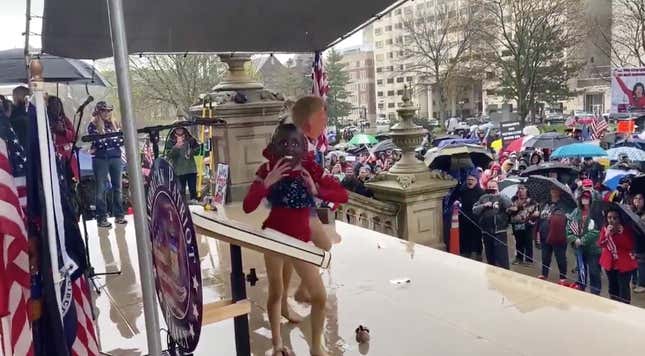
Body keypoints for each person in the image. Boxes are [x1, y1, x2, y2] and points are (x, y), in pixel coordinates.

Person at [243, 123, 347, 356]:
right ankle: (279, 343)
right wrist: (266, 182)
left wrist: (316, 188)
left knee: (319, 296)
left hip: (300, 241)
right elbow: (248, 206)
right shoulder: (266, 169)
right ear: (274, 146)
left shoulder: (311, 167)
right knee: (277, 291)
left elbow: (342, 194)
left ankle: (315, 347)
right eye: (284, 143)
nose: (289, 148)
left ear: (303, 146)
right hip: (274, 237)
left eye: (294, 143)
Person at [87, 101, 126, 228]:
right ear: (98, 112)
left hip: (116, 157)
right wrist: (109, 140)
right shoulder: (92, 125)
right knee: (101, 189)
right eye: (104, 110)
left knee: (118, 188)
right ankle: (102, 217)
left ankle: (119, 215)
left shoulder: (114, 124)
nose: (107, 113)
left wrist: (107, 139)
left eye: (109, 110)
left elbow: (120, 140)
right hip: (100, 159)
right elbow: (98, 143)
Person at [598, 207, 638, 304]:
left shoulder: (626, 229)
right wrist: (607, 234)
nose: (611, 220)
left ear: (620, 218)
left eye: (615, 218)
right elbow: (601, 244)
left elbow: (630, 245)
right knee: (612, 288)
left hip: (624, 264)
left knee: (623, 290)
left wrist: (619, 234)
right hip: (609, 264)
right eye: (609, 217)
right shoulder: (605, 228)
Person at [566, 189, 601, 294]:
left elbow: (597, 230)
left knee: (594, 272)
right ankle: (581, 289)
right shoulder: (575, 212)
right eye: (583, 197)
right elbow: (568, 228)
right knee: (581, 271)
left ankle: (595, 293)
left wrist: (582, 240)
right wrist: (574, 239)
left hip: (593, 249)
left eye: (587, 197)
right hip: (579, 249)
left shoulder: (596, 212)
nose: (585, 200)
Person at [472, 180, 512, 269]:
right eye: (489, 187)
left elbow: (509, 205)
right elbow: (474, 210)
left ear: (497, 187)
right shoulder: (483, 198)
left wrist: (499, 194)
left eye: (493, 187)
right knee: (490, 257)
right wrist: (484, 205)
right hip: (486, 232)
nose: (491, 189)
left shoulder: (502, 196)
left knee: (501, 258)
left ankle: (504, 275)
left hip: (500, 231)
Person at [452, 169, 485, 260]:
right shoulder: (463, 191)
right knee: (465, 235)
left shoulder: (481, 192)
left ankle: (476, 253)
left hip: (476, 220)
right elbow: (458, 199)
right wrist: (457, 202)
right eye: (468, 180)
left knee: (476, 237)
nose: (470, 182)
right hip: (464, 218)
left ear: (476, 181)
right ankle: (466, 251)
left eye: (472, 180)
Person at [537, 187, 569, 282]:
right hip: (544, 233)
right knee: (545, 256)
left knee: (560, 257)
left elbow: (565, 217)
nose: (553, 191)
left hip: (558, 235)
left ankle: (562, 277)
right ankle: (544, 274)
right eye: (552, 189)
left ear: (560, 192)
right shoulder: (545, 203)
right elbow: (541, 218)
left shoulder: (563, 204)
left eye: (556, 189)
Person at [47, 95, 79, 181]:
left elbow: (74, 137)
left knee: (70, 181)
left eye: (58, 105)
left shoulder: (65, 120)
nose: (56, 107)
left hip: (68, 155)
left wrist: (64, 131)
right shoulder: (45, 121)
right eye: (53, 105)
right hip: (54, 155)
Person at [166, 126, 200, 203]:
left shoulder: (190, 139)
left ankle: (194, 204)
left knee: (193, 190)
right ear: (174, 130)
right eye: (178, 128)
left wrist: (191, 152)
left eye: (181, 128)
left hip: (191, 170)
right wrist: (176, 147)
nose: (179, 130)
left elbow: (198, 150)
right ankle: (182, 206)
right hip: (178, 171)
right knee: (181, 191)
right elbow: (169, 156)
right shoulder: (170, 141)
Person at [508, 184, 538, 265]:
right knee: (518, 242)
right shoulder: (514, 199)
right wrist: (515, 209)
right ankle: (519, 258)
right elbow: (509, 211)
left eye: (522, 188)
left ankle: (529, 260)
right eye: (519, 188)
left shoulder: (532, 201)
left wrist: (533, 215)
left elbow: (534, 213)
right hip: (516, 224)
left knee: (528, 242)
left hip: (527, 225)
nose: (520, 190)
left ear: (527, 190)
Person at [630, 194, 645, 294]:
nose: (638, 201)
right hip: (633, 241)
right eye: (635, 198)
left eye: (640, 199)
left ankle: (642, 284)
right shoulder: (631, 211)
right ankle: (635, 281)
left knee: (641, 262)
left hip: (642, 242)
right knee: (634, 261)